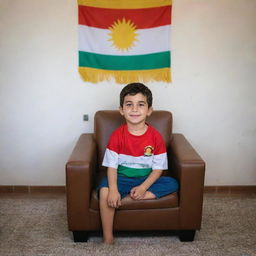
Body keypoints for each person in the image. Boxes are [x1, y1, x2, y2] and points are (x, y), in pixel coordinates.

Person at [98, 82, 178, 244]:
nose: (134, 109)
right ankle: (108, 237)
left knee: (172, 183)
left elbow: (157, 170)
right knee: (105, 189)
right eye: (129, 104)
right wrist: (113, 189)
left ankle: (130, 197)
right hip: (121, 178)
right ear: (122, 110)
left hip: (145, 180)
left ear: (149, 111)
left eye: (140, 105)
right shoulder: (116, 136)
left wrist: (143, 187)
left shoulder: (156, 137)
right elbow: (112, 167)